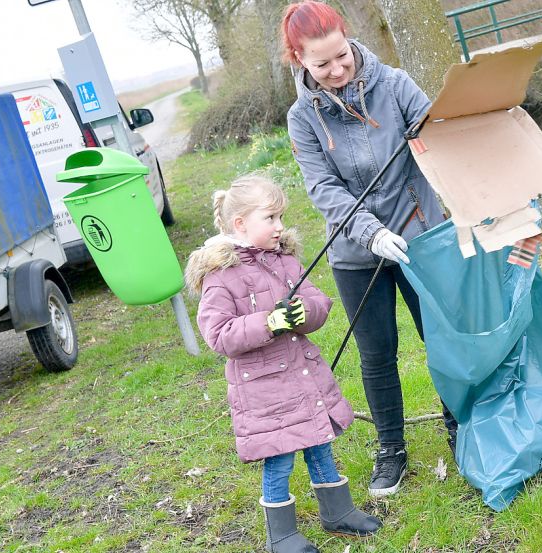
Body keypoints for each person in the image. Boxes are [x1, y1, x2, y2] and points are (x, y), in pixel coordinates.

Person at [281, 0, 459, 498]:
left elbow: (440, 140)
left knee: (441, 339)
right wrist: (368, 231)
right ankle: (391, 450)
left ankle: (460, 426)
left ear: (349, 37)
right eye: (322, 64)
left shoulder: (397, 84)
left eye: (341, 56)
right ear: (300, 60)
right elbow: (323, 189)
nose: (337, 70)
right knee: (377, 355)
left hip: (420, 237)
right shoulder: (302, 118)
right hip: (356, 254)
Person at [186, 175, 381, 553]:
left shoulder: (284, 261)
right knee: (279, 458)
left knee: (319, 443)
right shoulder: (220, 276)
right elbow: (219, 334)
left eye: (280, 217)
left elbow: (317, 302)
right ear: (240, 223)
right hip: (265, 390)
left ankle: (337, 513)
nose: (279, 226)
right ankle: (282, 534)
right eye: (270, 218)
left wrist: (302, 311)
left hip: (302, 375)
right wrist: (269, 323)